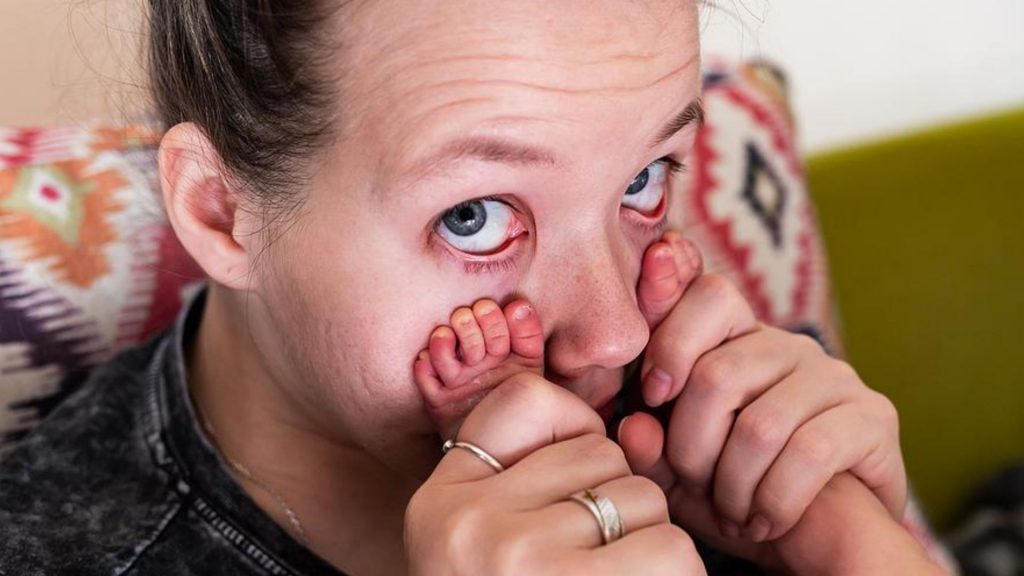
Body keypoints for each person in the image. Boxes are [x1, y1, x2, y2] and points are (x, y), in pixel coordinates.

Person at [0, 0, 950, 574]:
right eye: (475, 217)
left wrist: (851, 547)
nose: (615, 336)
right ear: (218, 212)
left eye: (643, 180)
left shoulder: (720, 433)